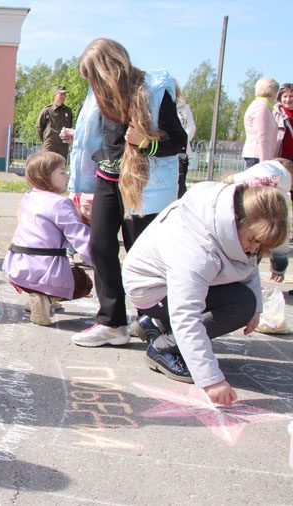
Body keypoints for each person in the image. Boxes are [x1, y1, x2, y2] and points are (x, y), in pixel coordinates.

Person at [123, 181, 287, 406]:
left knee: (246, 302)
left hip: (172, 284)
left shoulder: (232, 222)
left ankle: (153, 324)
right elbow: (186, 315)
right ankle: (163, 347)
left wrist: (257, 307)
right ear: (237, 220)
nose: (255, 249)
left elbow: (248, 264)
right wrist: (211, 381)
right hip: (152, 291)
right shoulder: (195, 250)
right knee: (240, 304)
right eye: (253, 241)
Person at [67, 38, 187, 347]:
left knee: (141, 256)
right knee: (100, 245)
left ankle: (158, 320)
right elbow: (88, 143)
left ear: (110, 69)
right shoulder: (99, 96)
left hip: (143, 185)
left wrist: (147, 143)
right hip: (107, 179)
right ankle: (113, 322)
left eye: (94, 75)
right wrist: (79, 189)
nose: (92, 84)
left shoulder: (153, 91)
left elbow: (179, 140)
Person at [3, 152, 93, 326]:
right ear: (44, 176)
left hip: (16, 269)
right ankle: (47, 298)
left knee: (49, 268)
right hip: (46, 273)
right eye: (62, 172)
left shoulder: (29, 196)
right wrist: (98, 262)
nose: (67, 176)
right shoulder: (61, 203)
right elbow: (80, 237)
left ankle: (38, 298)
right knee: (84, 283)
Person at [223, 158, 293, 283]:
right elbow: (281, 237)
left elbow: (226, 181)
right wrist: (279, 267)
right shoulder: (280, 196)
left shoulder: (243, 178)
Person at [242, 77, 280, 168]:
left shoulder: (263, 106)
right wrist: (265, 163)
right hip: (258, 157)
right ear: (272, 91)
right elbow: (261, 136)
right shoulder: (261, 107)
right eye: (276, 91)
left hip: (259, 156)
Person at [36, 85, 74, 159]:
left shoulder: (68, 111)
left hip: (63, 146)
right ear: (55, 95)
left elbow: (69, 128)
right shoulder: (47, 110)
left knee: (60, 167)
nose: (63, 96)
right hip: (50, 145)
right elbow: (39, 127)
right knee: (47, 167)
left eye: (64, 94)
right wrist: (46, 140)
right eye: (61, 94)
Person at [175, 81, 196, 197]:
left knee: (180, 186)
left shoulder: (185, 109)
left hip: (181, 154)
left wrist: (180, 141)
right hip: (165, 153)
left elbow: (191, 128)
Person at [274, 83, 293, 164]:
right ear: (280, 98)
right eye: (285, 96)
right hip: (281, 158)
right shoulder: (275, 115)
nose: (288, 99)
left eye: (291, 96)